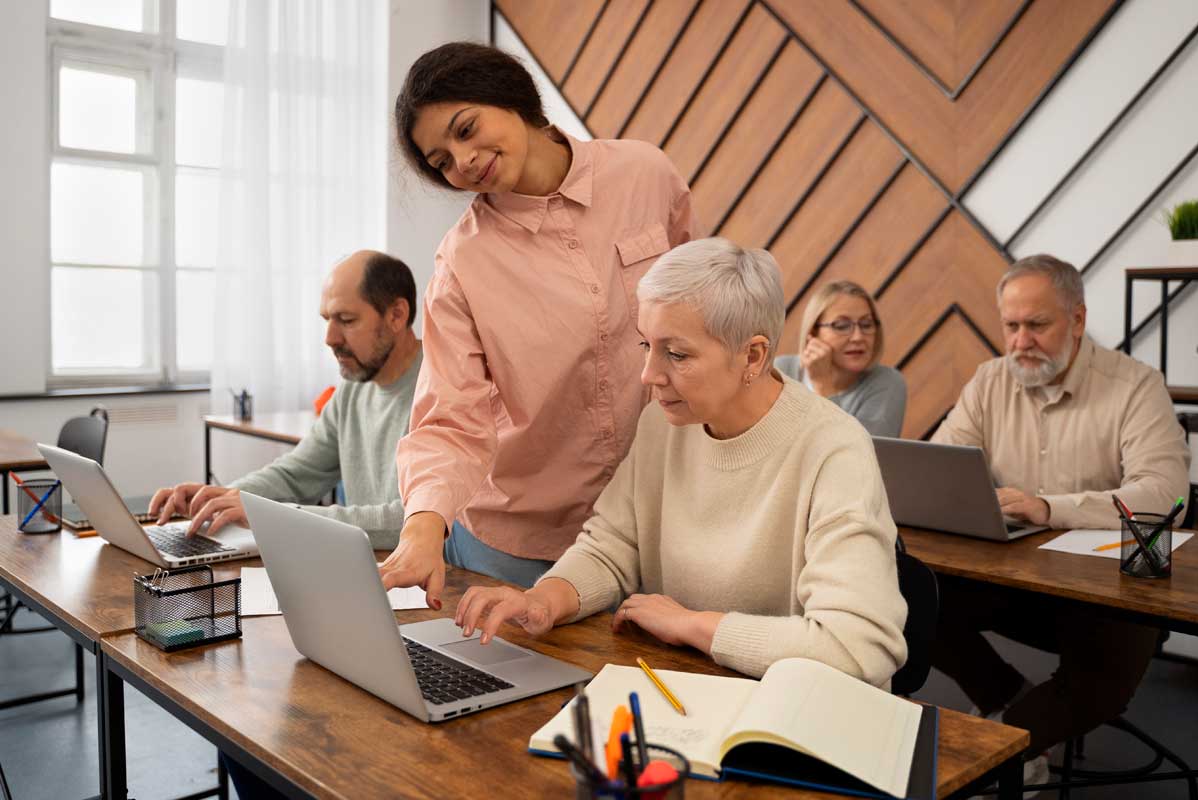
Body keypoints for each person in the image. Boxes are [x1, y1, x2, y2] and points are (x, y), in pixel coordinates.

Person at [454, 238, 907, 686]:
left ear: (752, 355)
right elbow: (612, 546)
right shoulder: (663, 424)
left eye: (676, 354)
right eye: (645, 345)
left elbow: (858, 645)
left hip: (789, 710)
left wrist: (693, 625)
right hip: (683, 688)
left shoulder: (835, 450)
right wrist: (545, 599)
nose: (649, 375)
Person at [379, 42, 702, 603]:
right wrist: (423, 528)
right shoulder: (462, 263)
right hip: (525, 545)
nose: (463, 161)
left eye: (466, 129)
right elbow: (450, 418)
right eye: (442, 162)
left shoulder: (645, 174)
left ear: (509, 94)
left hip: (661, 519)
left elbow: (703, 308)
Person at [930, 253, 1191, 789]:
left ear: (1077, 319)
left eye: (1037, 324)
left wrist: (1050, 507)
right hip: (1012, 579)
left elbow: (1166, 496)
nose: (1020, 341)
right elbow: (940, 468)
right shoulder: (989, 381)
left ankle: (1007, 741)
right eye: (1011, 326)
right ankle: (1011, 711)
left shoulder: (1136, 385)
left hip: (1107, 592)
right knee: (911, 596)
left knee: (1102, 676)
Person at [150, 250, 423, 550]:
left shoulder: (441, 392)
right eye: (327, 320)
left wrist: (275, 517)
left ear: (397, 315)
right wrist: (220, 499)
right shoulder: (353, 387)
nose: (330, 338)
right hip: (370, 566)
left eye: (346, 320)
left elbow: (413, 520)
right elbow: (297, 474)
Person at [775, 280, 906, 437]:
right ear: (813, 332)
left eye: (866, 324)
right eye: (842, 326)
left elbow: (859, 450)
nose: (858, 337)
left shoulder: (888, 382)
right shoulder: (781, 371)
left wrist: (823, 386)